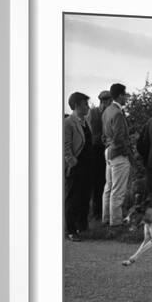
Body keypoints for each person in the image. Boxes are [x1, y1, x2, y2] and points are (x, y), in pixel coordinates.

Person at [101, 83, 133, 226]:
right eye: (125, 95)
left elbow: (105, 134)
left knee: (108, 188)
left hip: (108, 150)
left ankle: (106, 218)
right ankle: (116, 222)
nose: (126, 98)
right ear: (120, 95)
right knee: (118, 190)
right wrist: (127, 152)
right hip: (118, 153)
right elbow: (120, 138)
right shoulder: (118, 113)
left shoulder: (107, 110)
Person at [64, 92, 93, 241]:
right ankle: (70, 230)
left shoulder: (84, 121)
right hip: (76, 166)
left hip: (87, 165)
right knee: (73, 198)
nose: (88, 107)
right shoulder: (69, 122)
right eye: (85, 104)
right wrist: (71, 161)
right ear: (76, 106)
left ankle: (82, 226)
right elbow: (65, 145)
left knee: (84, 197)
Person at [88, 90, 112, 220]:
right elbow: (92, 133)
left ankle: (101, 211)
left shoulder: (103, 113)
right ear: (105, 101)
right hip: (96, 150)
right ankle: (97, 211)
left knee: (104, 182)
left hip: (103, 149)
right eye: (109, 101)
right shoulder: (94, 113)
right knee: (98, 181)